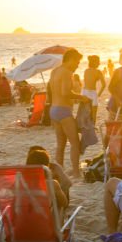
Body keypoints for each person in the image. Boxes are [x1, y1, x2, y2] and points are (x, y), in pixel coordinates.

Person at [48, 48, 86, 176]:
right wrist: (82, 97)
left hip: (53, 109)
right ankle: (76, 172)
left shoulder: (54, 71)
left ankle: (59, 172)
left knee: (61, 144)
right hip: (63, 110)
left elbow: (52, 91)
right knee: (75, 143)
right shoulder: (66, 72)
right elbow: (66, 93)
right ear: (70, 59)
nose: (77, 65)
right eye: (77, 62)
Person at [26, 146, 70, 211]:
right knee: (58, 202)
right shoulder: (52, 184)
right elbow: (64, 204)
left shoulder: (19, 183)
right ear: (47, 165)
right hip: (46, 219)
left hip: (24, 218)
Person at [83, 55, 106, 124]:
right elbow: (104, 85)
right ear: (94, 62)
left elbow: (88, 80)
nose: (99, 63)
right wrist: (99, 94)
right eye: (98, 62)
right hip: (92, 93)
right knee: (93, 113)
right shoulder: (98, 72)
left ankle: (86, 128)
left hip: (84, 92)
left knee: (85, 112)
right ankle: (92, 128)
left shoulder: (86, 71)